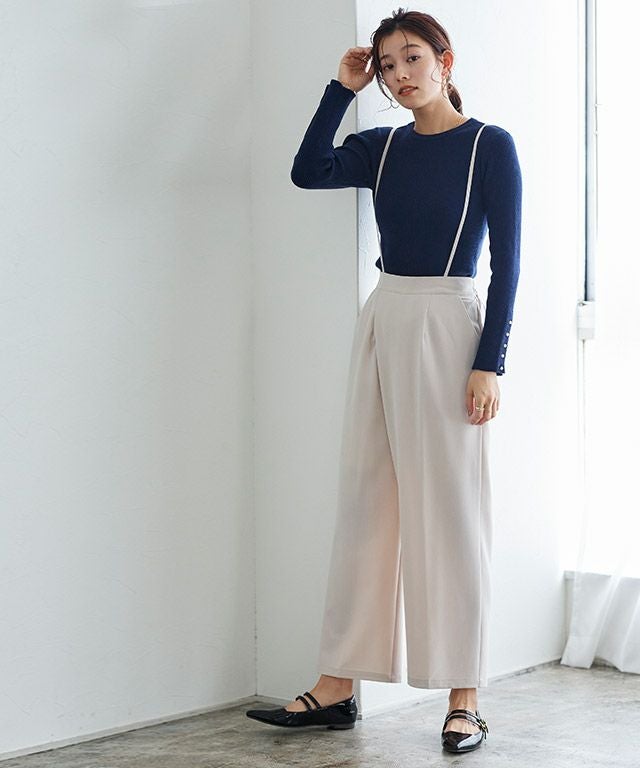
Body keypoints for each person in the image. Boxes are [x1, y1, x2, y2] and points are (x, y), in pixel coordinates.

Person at [246, 7, 521, 755]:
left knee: (450, 510)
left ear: (444, 60)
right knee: (367, 500)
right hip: (385, 317)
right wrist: (341, 89)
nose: (399, 76)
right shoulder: (383, 147)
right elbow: (308, 170)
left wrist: (490, 361)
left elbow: (508, 264)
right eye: (387, 65)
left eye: (411, 58)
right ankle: (337, 685)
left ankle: (464, 696)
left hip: (449, 322)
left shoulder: (488, 146)